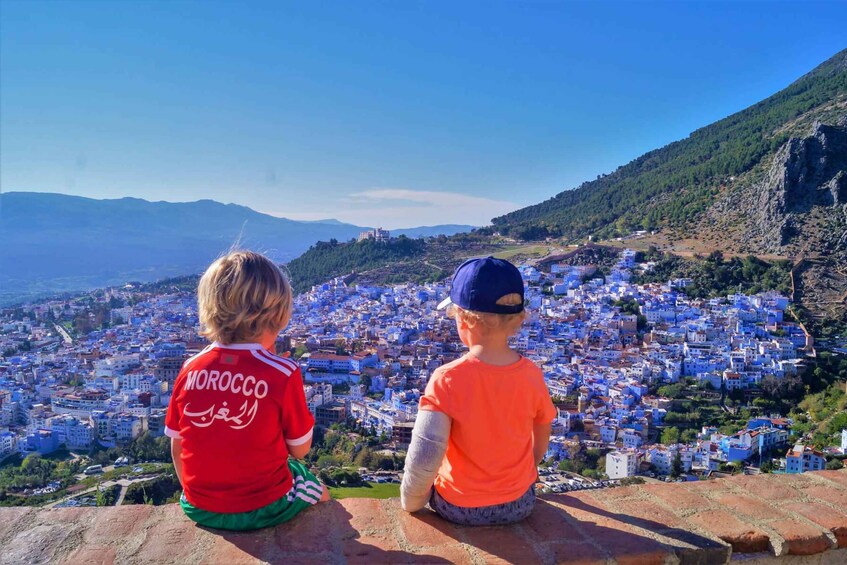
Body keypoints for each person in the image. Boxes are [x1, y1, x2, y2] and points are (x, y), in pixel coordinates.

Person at [166, 250, 329, 531]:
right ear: (278, 314)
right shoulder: (281, 372)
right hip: (264, 506)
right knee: (317, 488)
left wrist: (197, 496)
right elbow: (300, 450)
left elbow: (177, 445)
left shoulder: (190, 368)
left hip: (197, 506)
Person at [400, 256, 556, 526]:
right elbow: (541, 433)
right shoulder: (531, 374)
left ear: (464, 319)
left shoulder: (447, 378)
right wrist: (523, 474)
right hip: (520, 502)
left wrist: (411, 502)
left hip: (460, 507)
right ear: (517, 319)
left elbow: (425, 456)